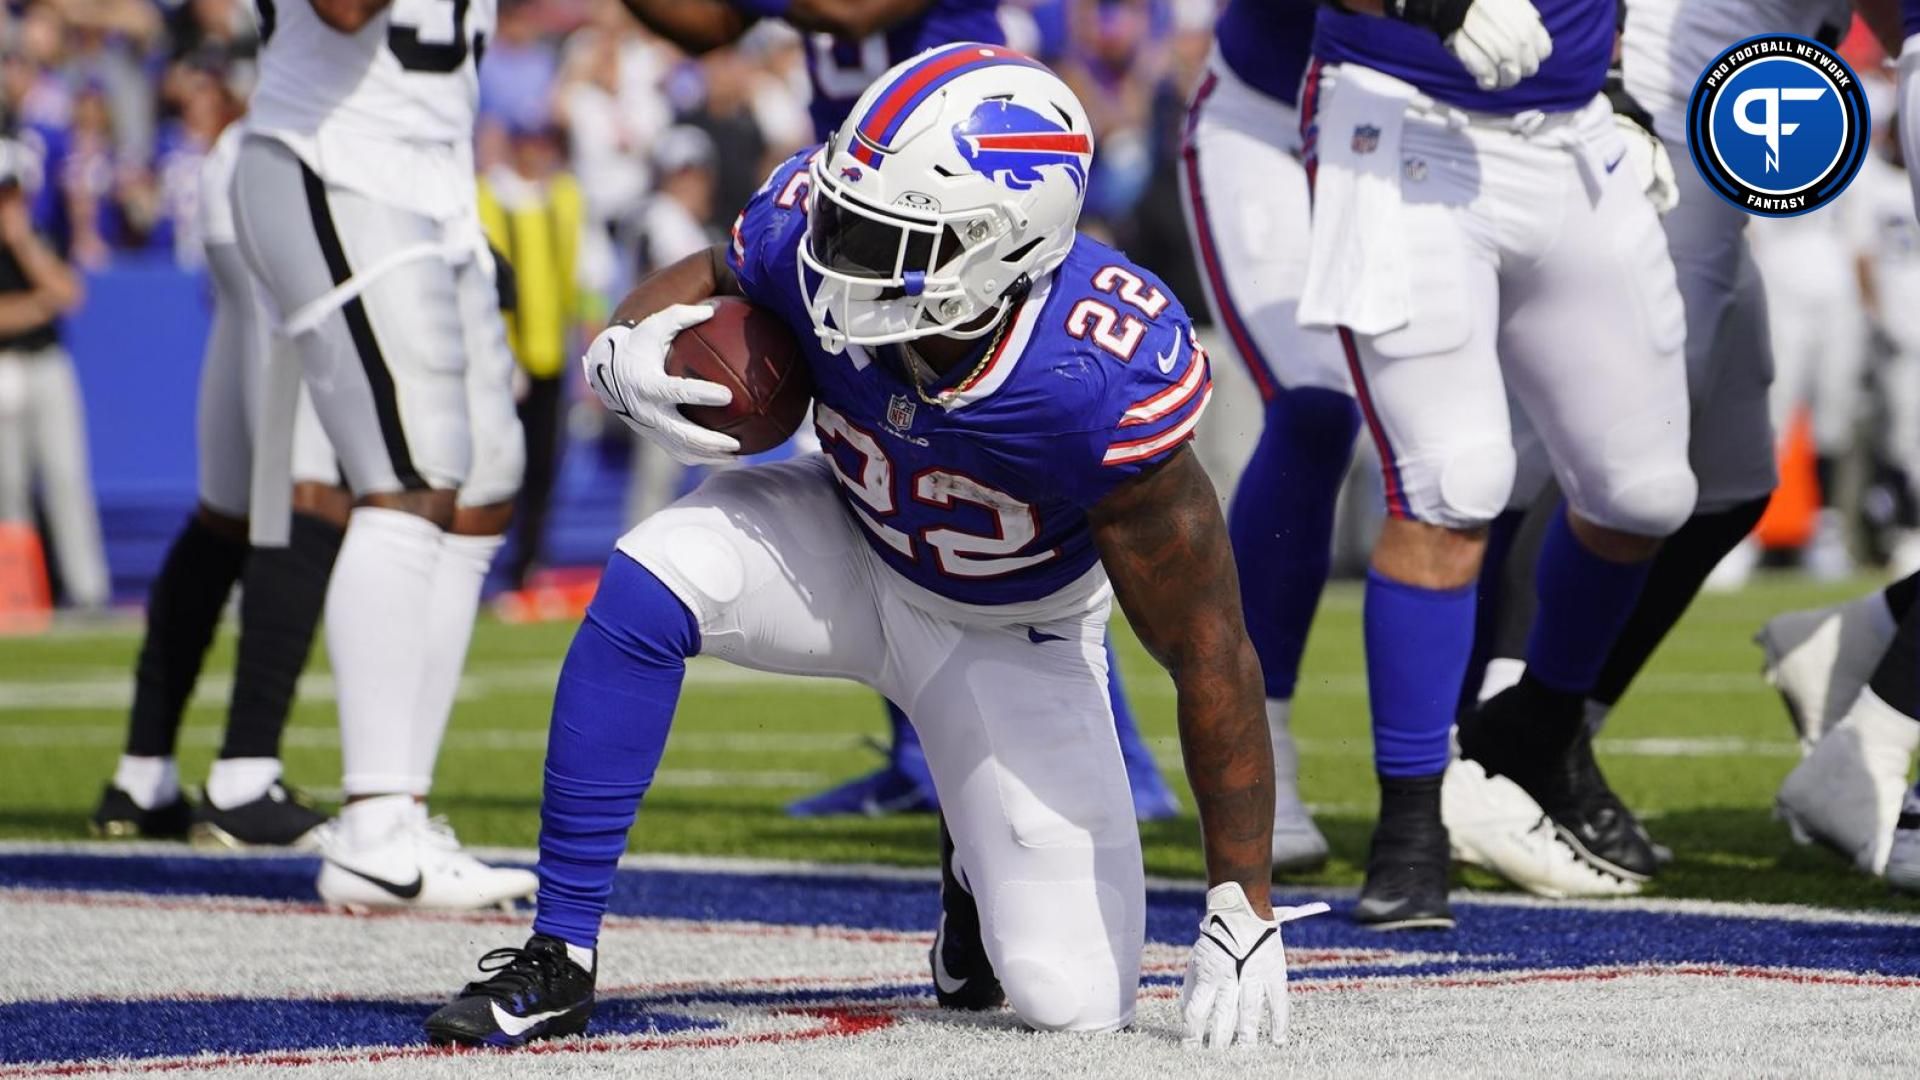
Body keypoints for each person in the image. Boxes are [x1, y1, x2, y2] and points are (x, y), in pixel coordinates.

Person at [425, 47, 1325, 1049]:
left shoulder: (1093, 373)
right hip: (844, 535)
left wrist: (1242, 905)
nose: (838, 255)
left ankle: (969, 866)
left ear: (999, 248)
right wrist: (629, 344)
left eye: (889, 239)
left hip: (1009, 628)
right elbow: (726, 267)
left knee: (1070, 1003)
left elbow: (1209, 649)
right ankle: (560, 951)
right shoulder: (817, 223)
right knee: (651, 579)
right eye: (844, 220)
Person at [618, 0, 1177, 824]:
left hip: (954, 204)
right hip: (856, 205)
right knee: (883, 487)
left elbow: (848, 11)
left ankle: (1118, 763)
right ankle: (925, 757)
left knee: (1015, 518)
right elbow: (709, 27)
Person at [1302, 0, 1697, 928]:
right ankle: (1411, 821)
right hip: (1402, 120)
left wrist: (1611, 78)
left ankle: (1537, 729)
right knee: (1454, 481)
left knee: (1644, 494)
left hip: (1568, 136)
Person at [229, 0, 534, 909]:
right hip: (334, 161)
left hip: (438, 183)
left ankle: (401, 812)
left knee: (481, 488)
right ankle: (369, 828)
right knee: (408, 476)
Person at [91, 119, 347, 849]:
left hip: (250, 169)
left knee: (228, 514)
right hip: (304, 169)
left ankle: (142, 775)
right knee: (309, 490)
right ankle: (243, 776)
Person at [1176, 0, 1354, 874]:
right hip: (1272, 124)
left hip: (1446, 143)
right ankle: (1258, 736)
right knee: (1317, 404)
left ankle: (1507, 735)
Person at [0, 135, 110, 614]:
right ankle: (17, 594)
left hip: (46, 364)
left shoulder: (36, 235)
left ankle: (87, 592)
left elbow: (69, 292)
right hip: (4, 367)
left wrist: (22, 243)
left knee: (67, 476)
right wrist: (38, 306)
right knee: (8, 485)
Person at [478, 120, 587, 589]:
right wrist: (498, 350)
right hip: (498, 358)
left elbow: (584, 277)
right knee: (493, 465)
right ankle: (483, 564)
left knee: (543, 466)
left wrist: (587, 341)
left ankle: (527, 564)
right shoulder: (487, 197)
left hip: (550, 356)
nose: (537, 154)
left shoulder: (565, 197)